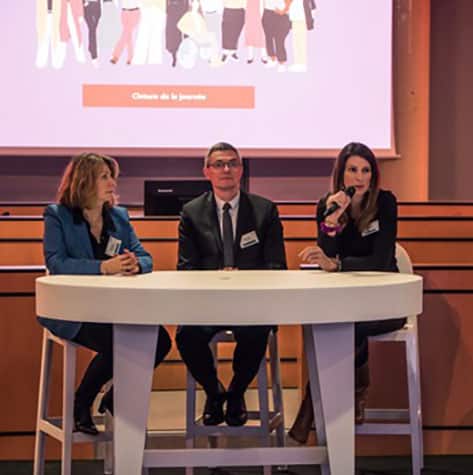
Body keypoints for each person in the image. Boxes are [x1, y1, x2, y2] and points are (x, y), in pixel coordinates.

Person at [38, 152, 172, 435]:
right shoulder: (57, 215)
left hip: (114, 309)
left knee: (159, 340)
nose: (112, 183)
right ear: (85, 181)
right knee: (121, 341)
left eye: (113, 177)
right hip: (72, 310)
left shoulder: (119, 218)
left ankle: (115, 396)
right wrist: (103, 267)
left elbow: (146, 257)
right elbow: (57, 264)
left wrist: (136, 265)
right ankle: (83, 400)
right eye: (104, 177)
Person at [288, 142, 406, 444]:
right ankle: (356, 388)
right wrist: (332, 220)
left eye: (366, 170)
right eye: (353, 170)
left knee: (346, 327)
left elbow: (380, 261)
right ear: (342, 173)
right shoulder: (326, 205)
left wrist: (338, 265)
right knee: (339, 325)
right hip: (347, 302)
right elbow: (326, 255)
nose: (359, 177)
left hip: (385, 301)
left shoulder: (386, 203)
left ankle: (309, 411)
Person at [175, 142, 287, 427]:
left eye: (232, 163)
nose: (226, 169)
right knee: (186, 335)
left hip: (250, 303)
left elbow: (277, 267)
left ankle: (236, 393)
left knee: (257, 330)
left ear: (241, 170)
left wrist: (241, 278)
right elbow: (186, 269)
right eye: (219, 164)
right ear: (207, 172)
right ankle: (214, 393)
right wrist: (219, 278)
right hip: (207, 303)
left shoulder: (265, 210)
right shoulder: (192, 212)